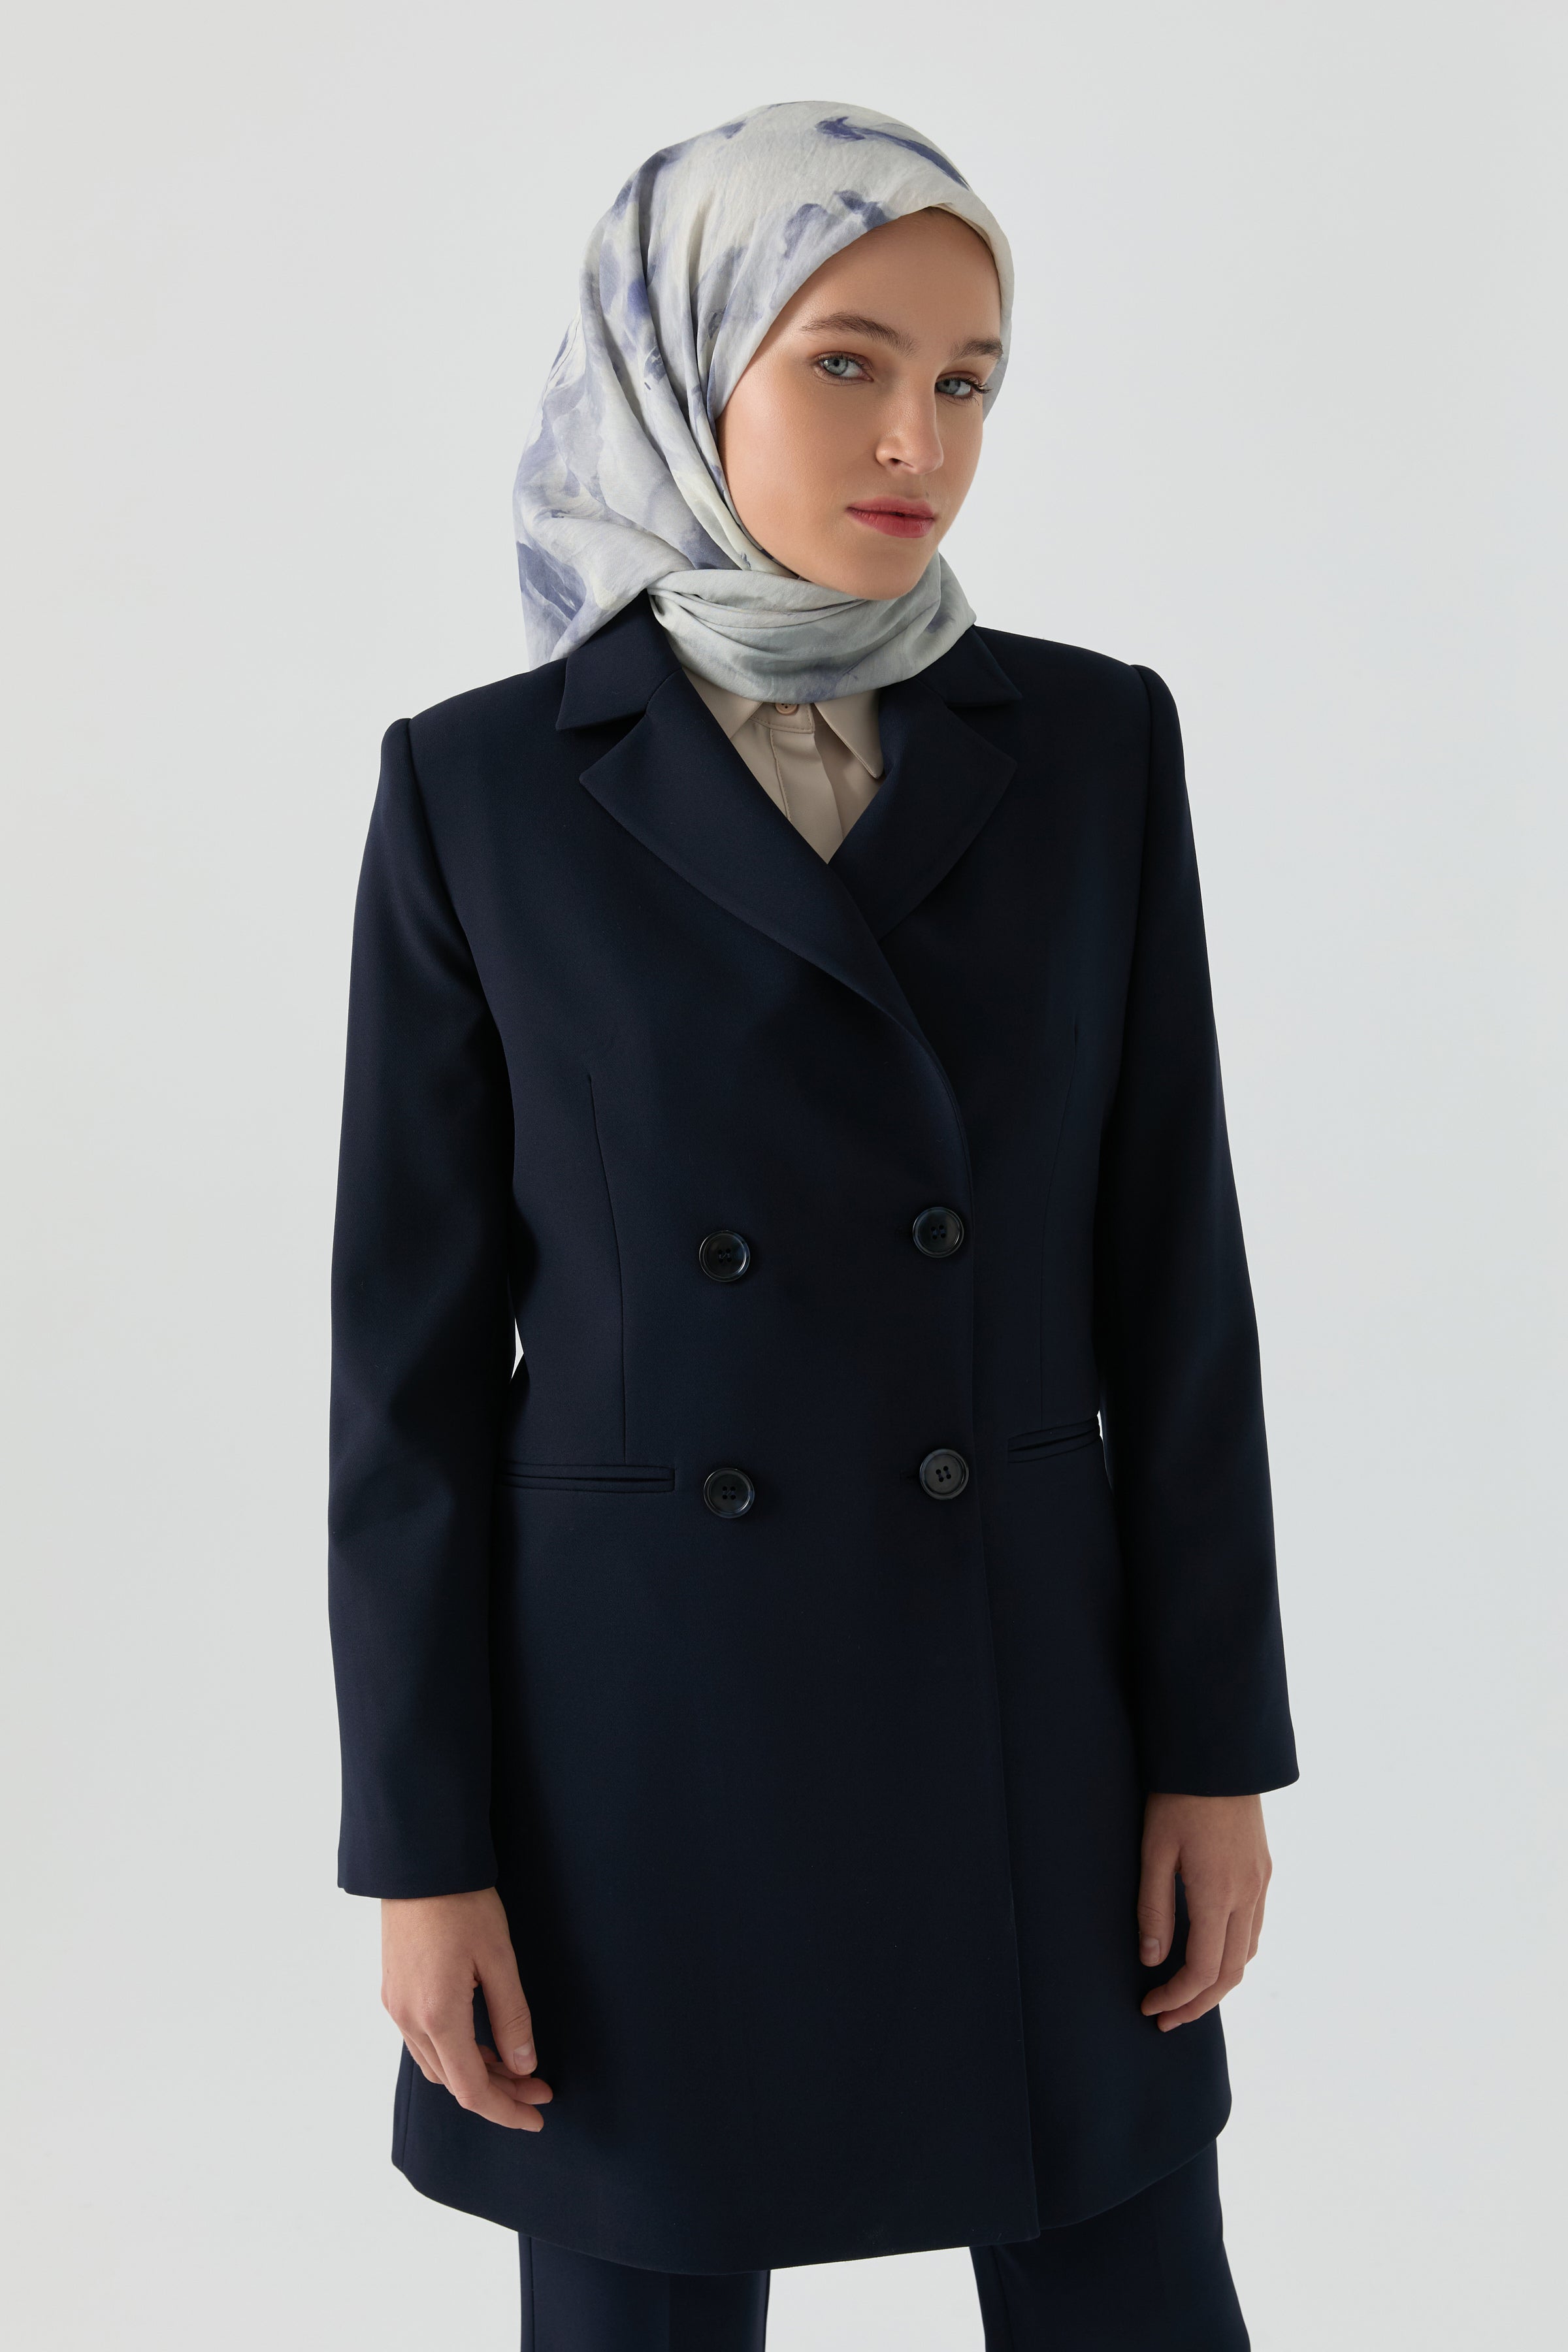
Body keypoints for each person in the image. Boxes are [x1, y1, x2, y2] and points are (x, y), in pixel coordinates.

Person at [327, 99, 1298, 2352]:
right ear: (686, 365)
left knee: (1136, 2301)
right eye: (846, 362)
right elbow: (408, 1377)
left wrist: (1215, 1749)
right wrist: (421, 1851)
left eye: (967, 379)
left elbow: (1177, 1287)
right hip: (641, 1748)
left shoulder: (1092, 746)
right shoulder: (481, 786)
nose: (917, 443)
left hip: (1028, 1718)